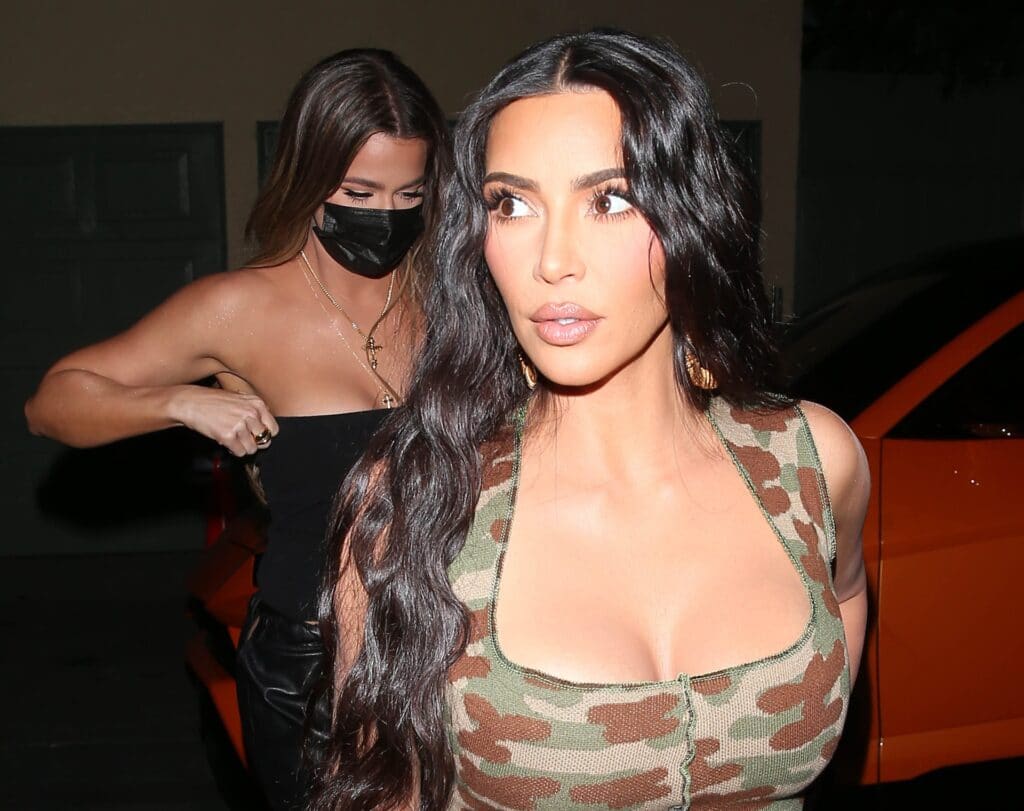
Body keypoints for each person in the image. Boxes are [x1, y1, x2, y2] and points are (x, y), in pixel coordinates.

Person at [313, 28, 869, 811]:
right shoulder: (416, 503)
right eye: (512, 204)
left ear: (692, 215)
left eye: (609, 200)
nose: (552, 260)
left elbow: (845, 596)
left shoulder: (814, 461)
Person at [24, 48, 451, 810]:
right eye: (358, 192)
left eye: (408, 194)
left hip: (449, 649)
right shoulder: (239, 308)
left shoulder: (449, 300)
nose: (385, 216)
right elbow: (52, 402)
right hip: (308, 669)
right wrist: (179, 402)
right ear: (309, 178)